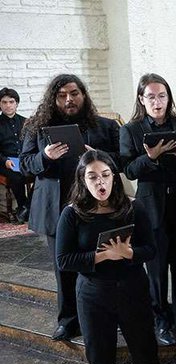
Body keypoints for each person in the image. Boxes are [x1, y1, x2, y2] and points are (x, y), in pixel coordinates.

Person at [55, 150, 176, 364]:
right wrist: (102, 256)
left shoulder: (133, 207)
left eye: (105, 175)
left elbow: (151, 249)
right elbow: (64, 260)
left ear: (114, 177)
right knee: (100, 360)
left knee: (146, 355)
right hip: (93, 296)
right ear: (83, 180)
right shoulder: (72, 213)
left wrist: (129, 253)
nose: (100, 183)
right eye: (93, 177)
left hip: (133, 291)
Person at [20, 74, 120, 342]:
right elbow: (25, 165)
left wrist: (98, 156)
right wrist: (45, 156)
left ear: (83, 95)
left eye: (74, 93)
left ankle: (105, 315)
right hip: (55, 208)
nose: (69, 99)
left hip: (97, 207)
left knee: (101, 263)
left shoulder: (105, 126)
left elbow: (122, 161)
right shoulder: (36, 127)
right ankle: (68, 321)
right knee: (63, 268)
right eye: (62, 95)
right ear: (53, 99)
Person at [120, 73, 176, 345]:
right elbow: (129, 170)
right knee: (156, 269)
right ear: (141, 99)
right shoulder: (131, 130)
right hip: (152, 208)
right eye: (151, 97)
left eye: (162, 96)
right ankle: (161, 320)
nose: (157, 102)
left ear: (169, 98)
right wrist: (151, 157)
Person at [0, 87, 30, 223]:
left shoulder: (26, 122)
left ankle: (28, 206)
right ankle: (23, 206)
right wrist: (5, 161)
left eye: (11, 102)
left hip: (25, 160)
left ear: (16, 103)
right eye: (4, 102)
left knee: (44, 171)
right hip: (5, 162)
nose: (8, 105)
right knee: (17, 176)